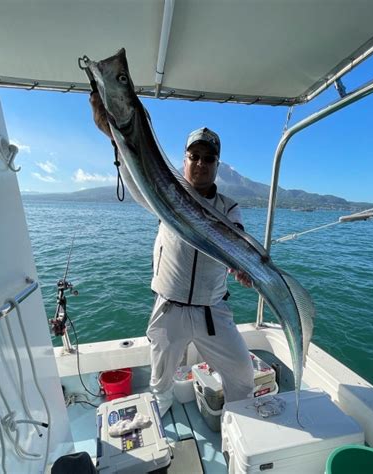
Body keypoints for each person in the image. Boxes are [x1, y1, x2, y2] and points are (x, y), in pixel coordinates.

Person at [90, 93, 254, 416]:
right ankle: (160, 429)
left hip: (213, 312)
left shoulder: (228, 208)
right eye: (195, 156)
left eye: (209, 159)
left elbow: (237, 237)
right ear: (184, 160)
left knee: (243, 375)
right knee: (159, 384)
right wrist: (115, 138)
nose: (201, 164)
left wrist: (243, 263)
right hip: (170, 309)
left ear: (218, 165)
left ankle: (238, 429)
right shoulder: (166, 193)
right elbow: (137, 182)